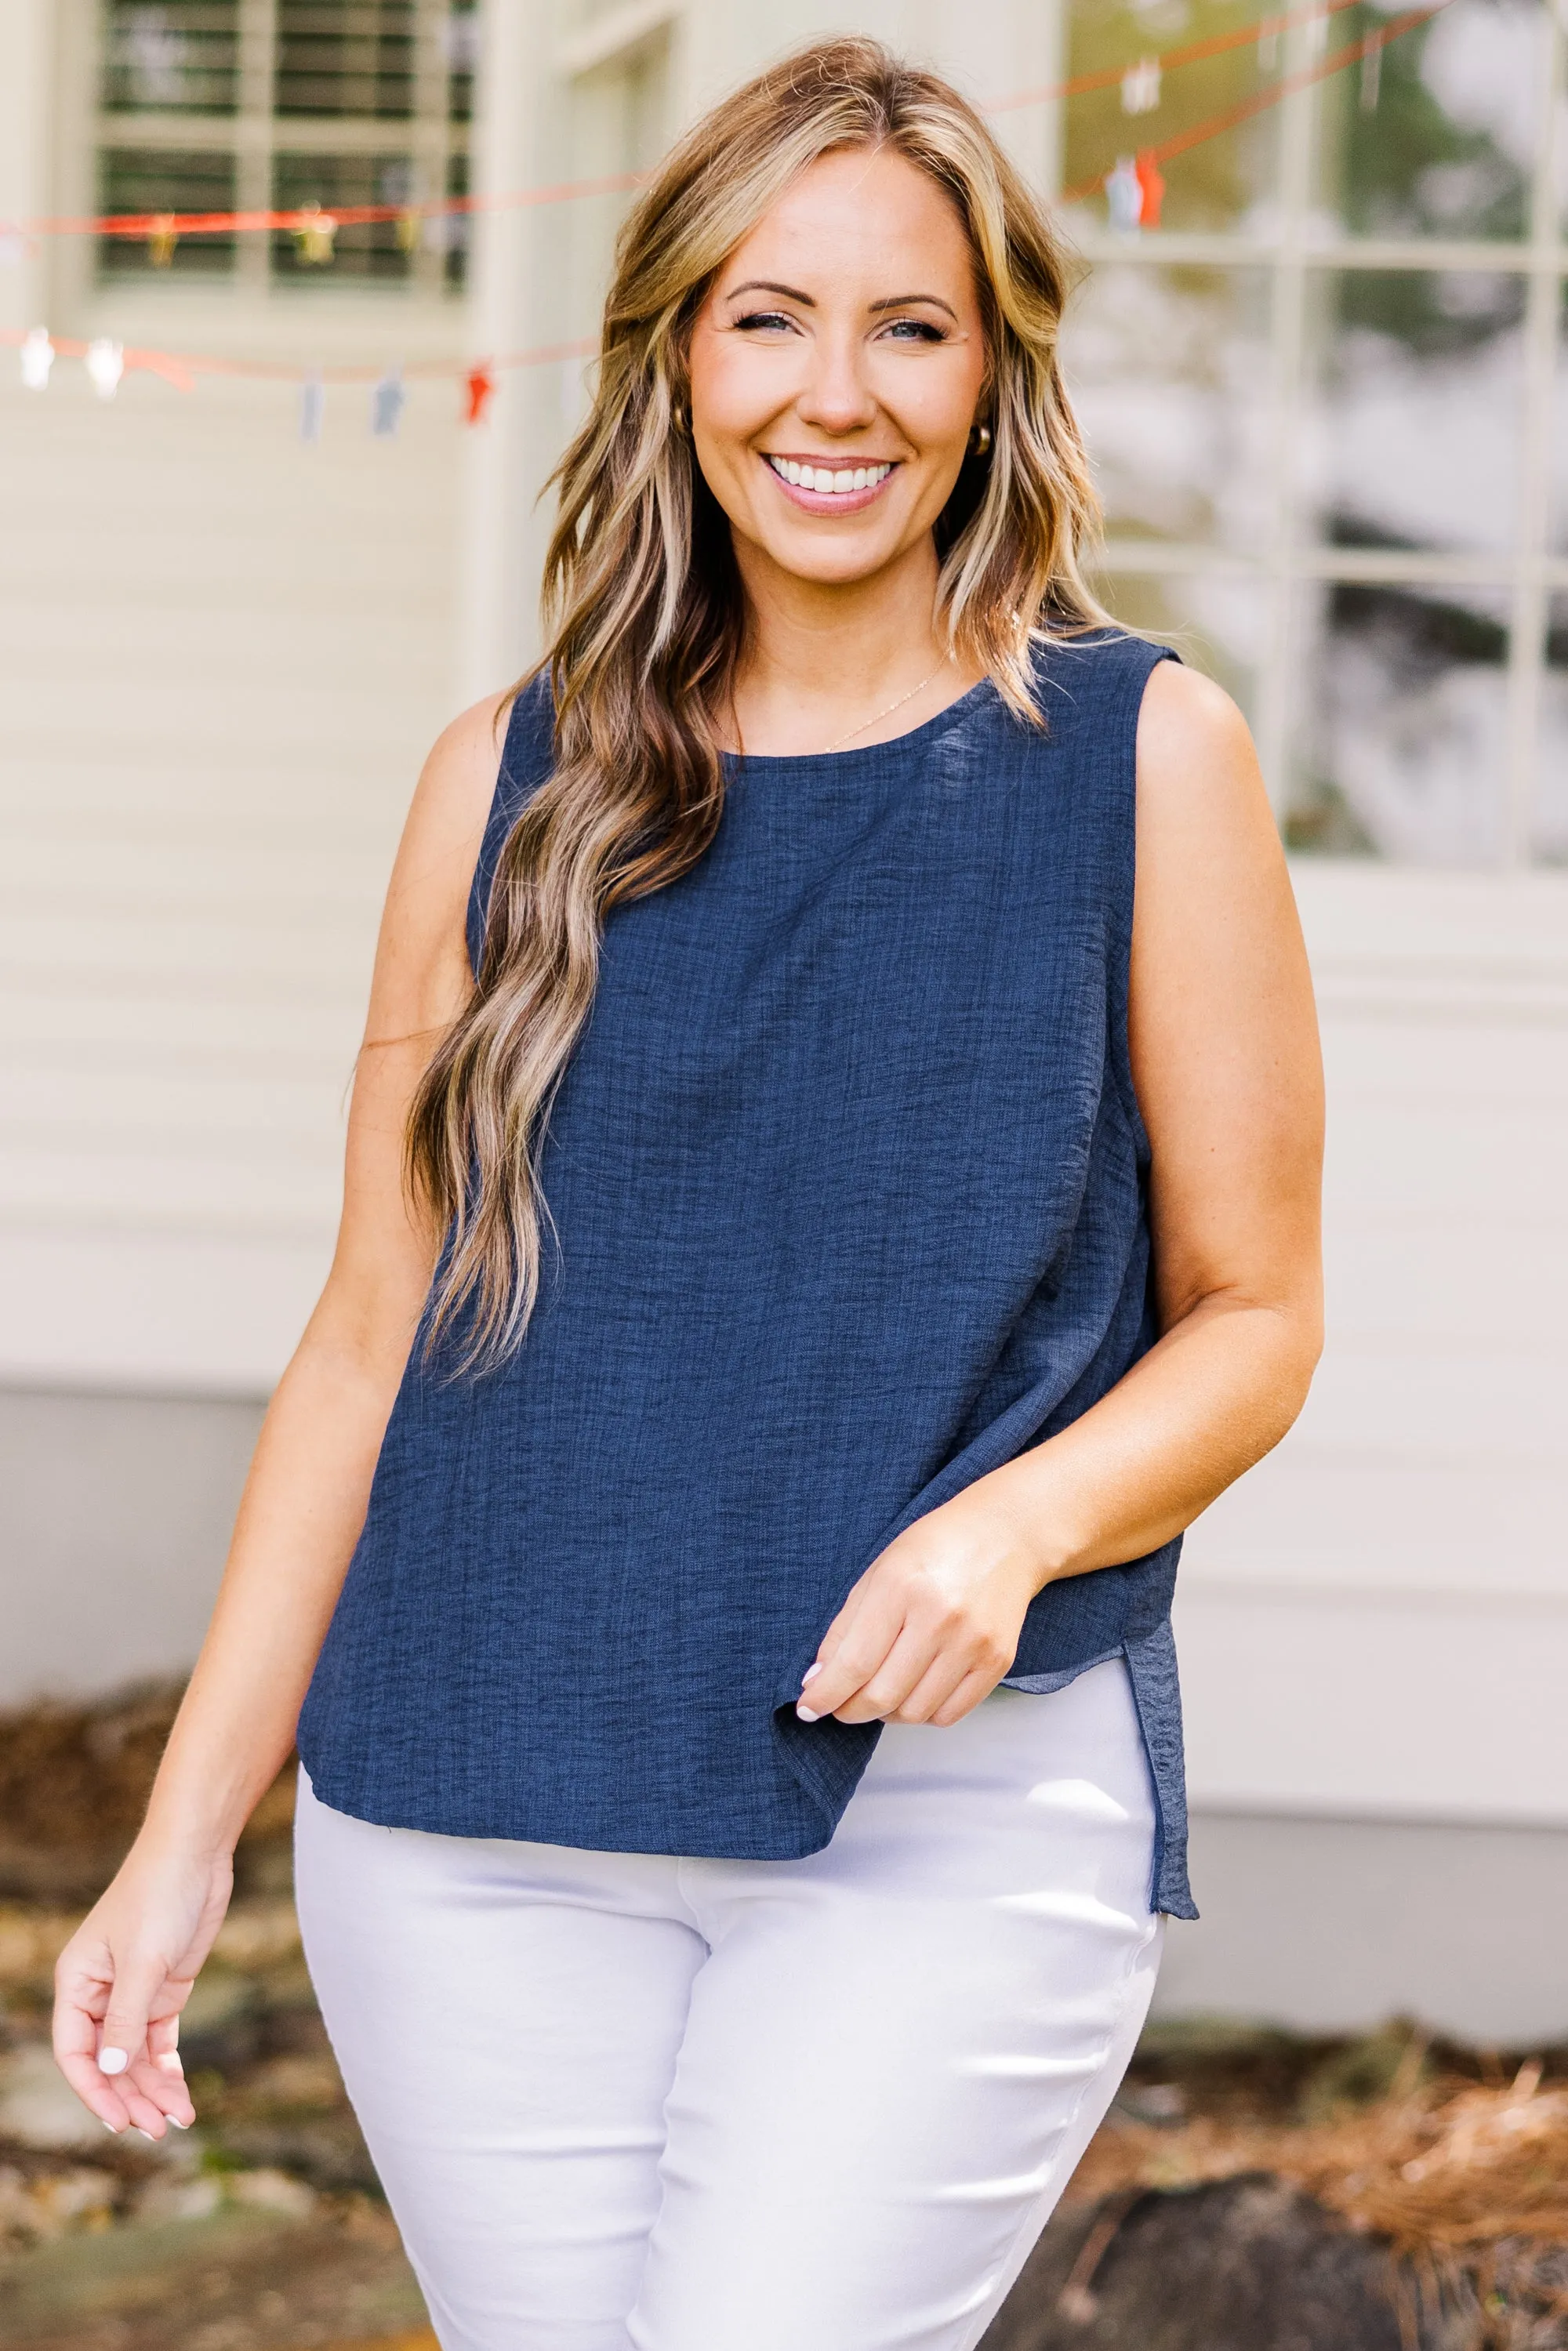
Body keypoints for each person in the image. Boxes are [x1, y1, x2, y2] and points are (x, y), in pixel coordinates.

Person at [53, 38, 1323, 2351]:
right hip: (464, 1817)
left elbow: (1256, 1313)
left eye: (909, 325)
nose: (834, 392)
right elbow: (368, 1340)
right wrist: (183, 1825)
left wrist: (1008, 1526)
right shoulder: (503, 781)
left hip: (943, 1810)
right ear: (672, 356)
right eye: (768, 315)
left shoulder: (1144, 760)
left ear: (994, 371)